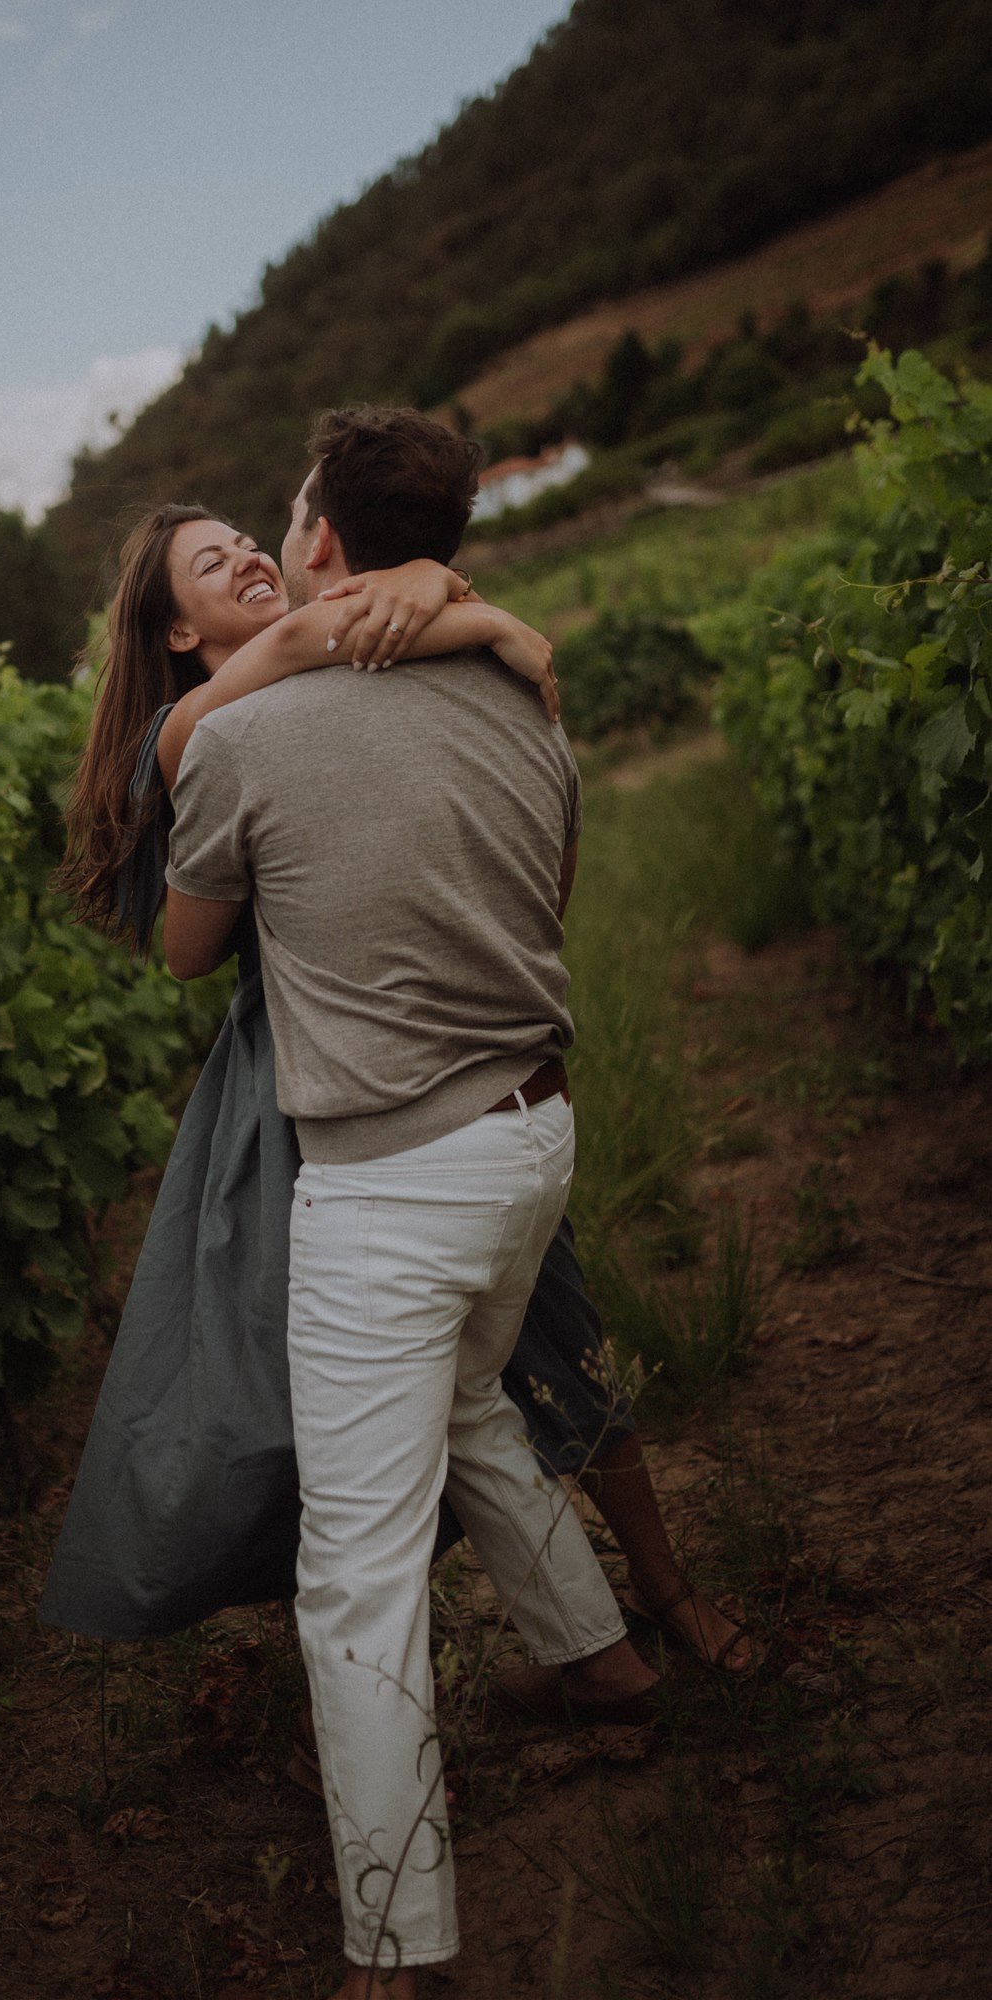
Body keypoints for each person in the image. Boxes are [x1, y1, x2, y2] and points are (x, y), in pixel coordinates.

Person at [40, 505, 747, 1689]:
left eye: (248, 542)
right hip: (307, 1088)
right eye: (211, 566)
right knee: (319, 1394)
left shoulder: (335, 657)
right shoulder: (184, 728)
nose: (250, 560)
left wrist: (429, 589)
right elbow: (301, 651)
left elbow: (339, 637)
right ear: (172, 629)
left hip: (431, 1058)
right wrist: (491, 621)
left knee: (555, 1330)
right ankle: (386, 1669)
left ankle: (648, 1604)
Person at [158, 405, 664, 1996]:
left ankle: (397, 1944)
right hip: (534, 1143)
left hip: (386, 1187)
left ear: (318, 542)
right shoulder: (527, 695)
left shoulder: (240, 740)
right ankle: (601, 1657)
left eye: (285, 516)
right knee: (469, 1400)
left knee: (355, 1575)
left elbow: (183, 950)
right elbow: (548, 901)